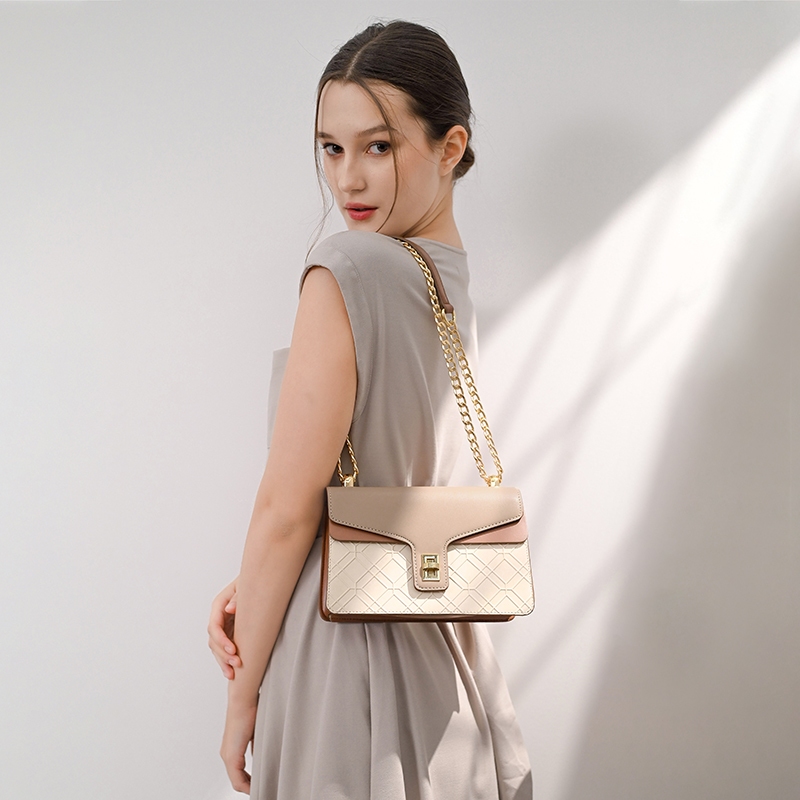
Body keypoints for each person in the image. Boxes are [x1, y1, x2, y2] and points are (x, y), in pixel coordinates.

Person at [206, 20, 533, 800]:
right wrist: (257, 581)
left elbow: (287, 510)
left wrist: (242, 698)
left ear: (451, 147)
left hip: (342, 665)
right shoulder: (448, 283)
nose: (347, 180)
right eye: (331, 148)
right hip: (448, 664)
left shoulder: (351, 264)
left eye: (378, 147)